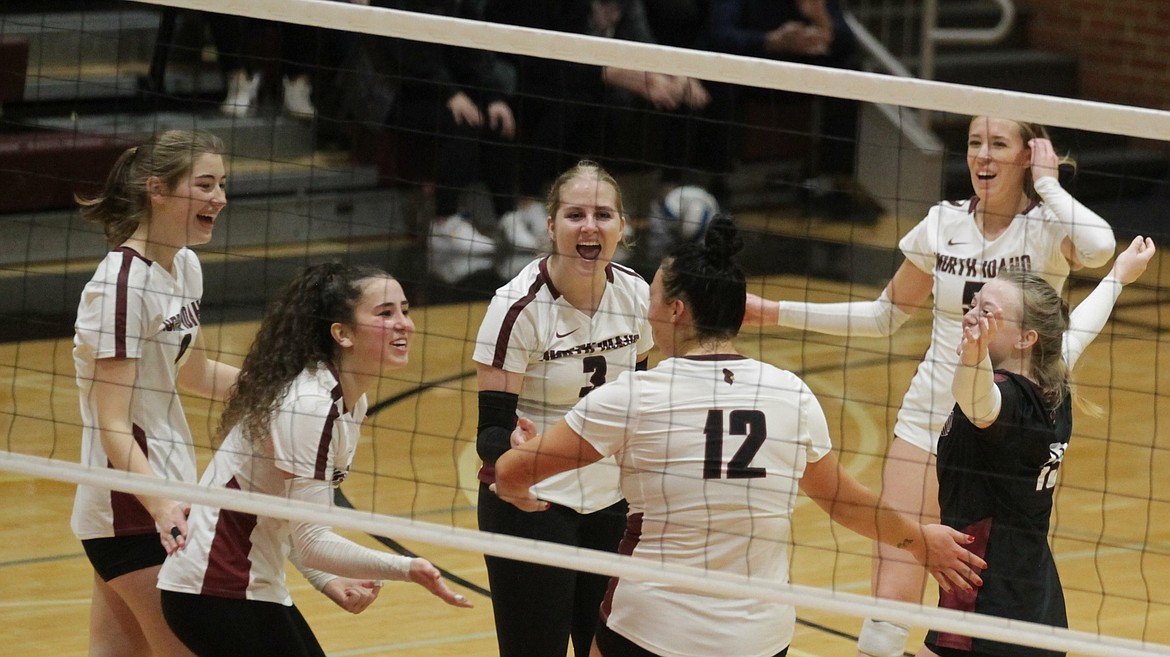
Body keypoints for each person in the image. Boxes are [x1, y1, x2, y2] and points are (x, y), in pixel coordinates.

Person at [492, 215, 985, 657]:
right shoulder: (791, 393)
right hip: (760, 637)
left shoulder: (633, 396)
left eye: (654, 298)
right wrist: (920, 540)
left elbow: (511, 473)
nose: (647, 309)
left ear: (677, 310)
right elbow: (845, 502)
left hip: (651, 627)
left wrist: (520, 473)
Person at [742, 115, 1118, 657]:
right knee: (887, 614)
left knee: (974, 606)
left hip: (1003, 430)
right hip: (928, 419)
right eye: (973, 144)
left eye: (998, 144)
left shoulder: (1048, 226)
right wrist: (774, 312)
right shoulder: (942, 224)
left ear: (1027, 154)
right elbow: (883, 315)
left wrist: (1049, 181)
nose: (982, 157)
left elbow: (1101, 247)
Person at [157, 262, 472, 657]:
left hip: (240, 584)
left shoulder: (348, 401)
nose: (404, 324)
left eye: (405, 310)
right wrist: (408, 568)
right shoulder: (310, 404)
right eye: (385, 313)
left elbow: (292, 516)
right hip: (215, 587)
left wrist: (325, 580)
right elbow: (312, 541)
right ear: (341, 333)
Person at [924, 235, 1155, 657]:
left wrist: (972, 356)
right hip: (1032, 595)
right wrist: (1119, 276)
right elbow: (1080, 329)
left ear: (1025, 338)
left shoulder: (1004, 403)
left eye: (988, 313)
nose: (972, 316)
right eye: (974, 304)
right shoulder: (1052, 381)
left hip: (986, 604)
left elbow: (973, 397)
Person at [472, 160, 654, 657]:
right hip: (533, 499)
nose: (590, 225)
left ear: (622, 226)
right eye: (575, 215)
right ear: (551, 226)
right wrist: (508, 445)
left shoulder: (638, 294)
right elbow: (489, 431)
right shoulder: (516, 308)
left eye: (603, 214)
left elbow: (642, 394)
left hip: (613, 503)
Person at [71, 129, 239, 657]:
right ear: (158, 191)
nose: (221, 198)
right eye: (205, 184)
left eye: (222, 184)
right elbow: (113, 424)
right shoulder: (120, 287)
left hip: (163, 492)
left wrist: (291, 387)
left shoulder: (184, 264)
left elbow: (196, 372)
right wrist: (161, 504)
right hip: (131, 507)